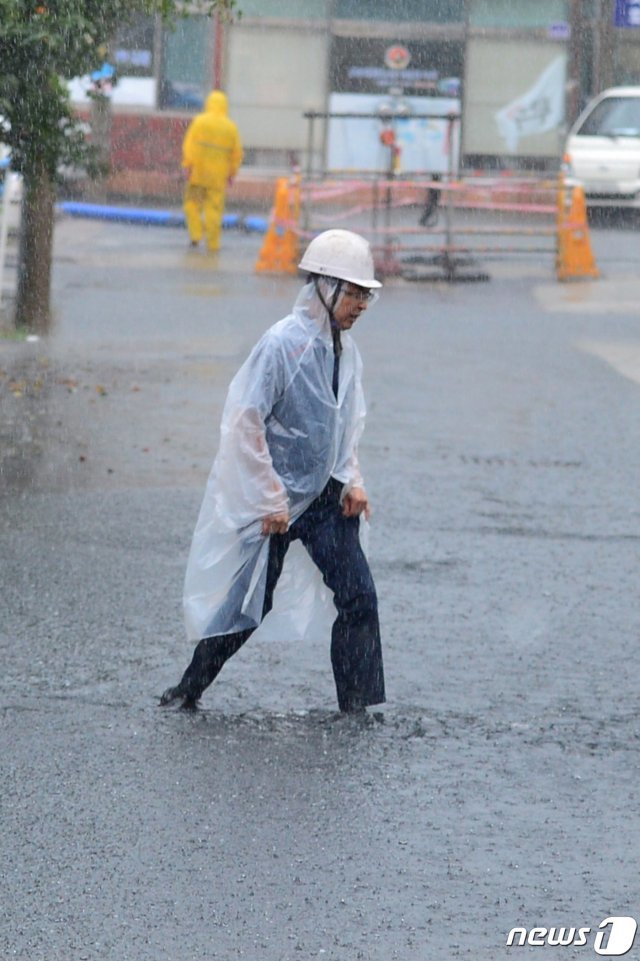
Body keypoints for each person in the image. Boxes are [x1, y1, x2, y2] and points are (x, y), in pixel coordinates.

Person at [160, 228, 386, 715]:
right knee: (247, 606)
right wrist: (267, 498)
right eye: (355, 293)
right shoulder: (282, 345)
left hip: (324, 498)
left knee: (359, 597)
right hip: (277, 502)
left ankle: (356, 709)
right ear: (325, 287)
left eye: (367, 295)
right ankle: (188, 690)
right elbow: (245, 420)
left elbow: (343, 422)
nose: (362, 305)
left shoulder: (343, 350)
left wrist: (353, 479)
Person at [182, 89, 243, 251]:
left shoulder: (199, 122)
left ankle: (195, 235)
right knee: (214, 210)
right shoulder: (230, 127)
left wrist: (187, 165)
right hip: (218, 176)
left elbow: (189, 145)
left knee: (192, 204)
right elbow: (236, 154)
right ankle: (213, 243)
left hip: (198, 174)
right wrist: (232, 173)